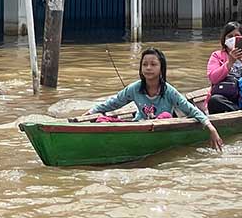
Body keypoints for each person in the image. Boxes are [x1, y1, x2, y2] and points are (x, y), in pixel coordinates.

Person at [88, 47, 223, 151]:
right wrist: (91, 112)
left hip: (162, 128)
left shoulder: (169, 91)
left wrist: (211, 128)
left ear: (161, 68)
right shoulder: (135, 88)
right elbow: (114, 102)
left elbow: (190, 110)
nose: (148, 68)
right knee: (101, 119)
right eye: (145, 64)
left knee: (164, 115)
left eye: (153, 64)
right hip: (139, 125)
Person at [206, 21, 242, 114]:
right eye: (230, 36)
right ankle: (240, 112)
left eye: (236, 36)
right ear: (224, 39)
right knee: (214, 101)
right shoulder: (217, 55)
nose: (233, 39)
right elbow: (213, 79)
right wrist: (229, 62)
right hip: (224, 95)